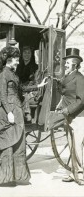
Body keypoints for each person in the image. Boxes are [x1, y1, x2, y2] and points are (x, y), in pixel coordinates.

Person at [0, 46, 47, 187]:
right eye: (16, 60)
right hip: (9, 111)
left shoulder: (14, 74)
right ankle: (4, 178)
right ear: (9, 60)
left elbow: (22, 89)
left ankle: (17, 176)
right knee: (8, 141)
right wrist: (9, 112)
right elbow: (3, 95)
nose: (18, 62)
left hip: (17, 109)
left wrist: (39, 86)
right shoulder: (3, 74)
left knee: (19, 142)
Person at [54, 48, 84, 185]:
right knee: (71, 145)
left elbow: (81, 100)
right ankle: (73, 173)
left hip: (78, 116)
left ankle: (81, 175)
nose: (65, 64)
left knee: (77, 146)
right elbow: (64, 93)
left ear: (75, 64)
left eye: (68, 63)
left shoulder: (79, 78)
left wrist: (67, 110)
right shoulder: (67, 77)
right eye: (65, 62)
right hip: (69, 116)